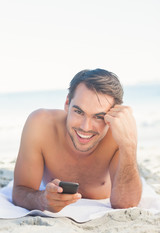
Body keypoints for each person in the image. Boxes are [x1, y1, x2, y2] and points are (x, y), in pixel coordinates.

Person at [12, 68, 142, 213]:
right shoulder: (41, 125)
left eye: (98, 116)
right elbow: (20, 191)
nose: (85, 127)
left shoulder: (117, 135)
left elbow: (126, 205)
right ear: (67, 103)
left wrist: (129, 146)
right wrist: (41, 199)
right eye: (79, 112)